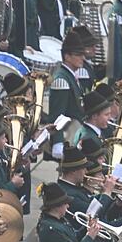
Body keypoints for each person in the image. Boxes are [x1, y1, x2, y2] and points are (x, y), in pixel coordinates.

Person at [49, 30, 86, 159]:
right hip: (68, 135)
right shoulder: (61, 80)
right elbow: (57, 114)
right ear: (67, 56)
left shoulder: (71, 76)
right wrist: (58, 142)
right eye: (78, 54)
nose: (83, 58)